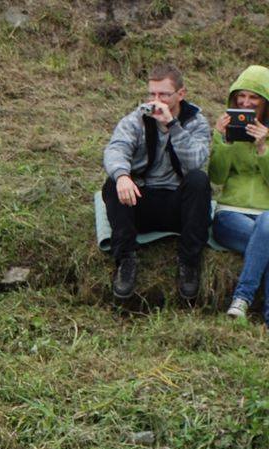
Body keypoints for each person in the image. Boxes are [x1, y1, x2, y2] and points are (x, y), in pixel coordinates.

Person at [101, 64, 213, 303]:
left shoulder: (196, 122)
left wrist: (172, 125)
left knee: (199, 180)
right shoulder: (137, 118)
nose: (156, 100)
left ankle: (189, 263)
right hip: (143, 199)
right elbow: (115, 149)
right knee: (112, 183)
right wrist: (122, 176)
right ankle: (126, 260)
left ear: (180, 94)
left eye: (163, 94)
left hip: (178, 204)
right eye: (152, 94)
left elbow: (195, 161)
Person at [211, 65, 269, 320]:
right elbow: (216, 177)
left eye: (253, 97)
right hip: (230, 213)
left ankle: (240, 301)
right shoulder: (226, 132)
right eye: (240, 97)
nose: (245, 102)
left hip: (266, 217)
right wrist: (222, 142)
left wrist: (262, 149)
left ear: (265, 102)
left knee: (268, 224)